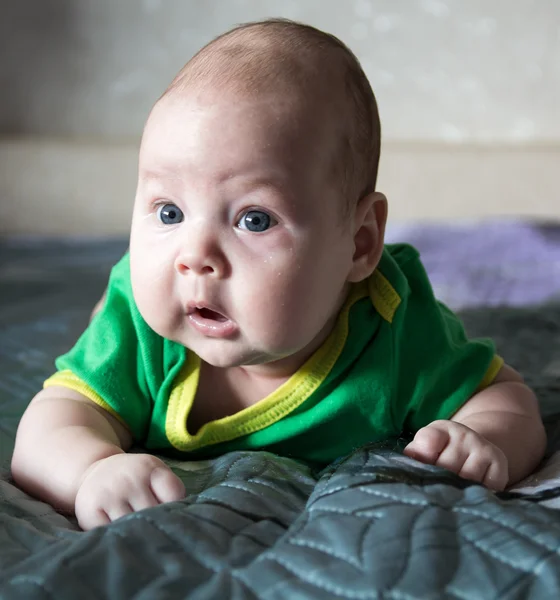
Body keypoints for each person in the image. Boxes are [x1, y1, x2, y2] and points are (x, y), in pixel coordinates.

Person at [11, 19, 546, 531]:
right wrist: (90, 469)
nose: (194, 256)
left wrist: (483, 438)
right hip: (135, 314)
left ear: (359, 244)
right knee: (109, 329)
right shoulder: (140, 328)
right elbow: (48, 428)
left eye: (254, 219)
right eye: (169, 212)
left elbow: (505, 397)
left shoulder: (393, 326)